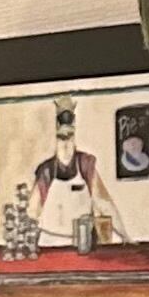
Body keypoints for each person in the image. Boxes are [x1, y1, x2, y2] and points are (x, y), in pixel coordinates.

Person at [24, 96, 125, 250]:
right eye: (61, 139)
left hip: (82, 242)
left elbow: (103, 202)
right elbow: (33, 210)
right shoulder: (46, 170)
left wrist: (124, 234)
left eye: (69, 138)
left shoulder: (85, 164)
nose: (65, 144)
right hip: (49, 242)